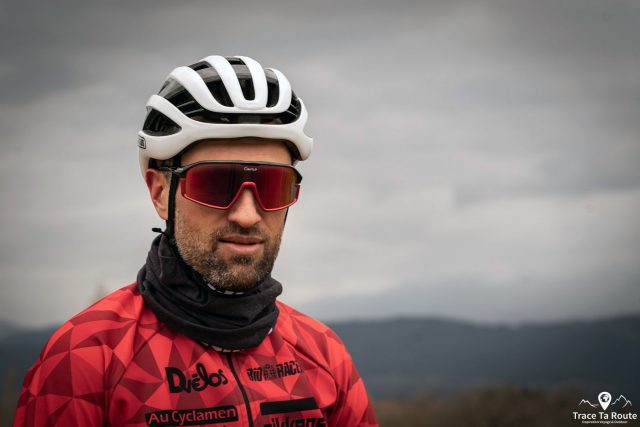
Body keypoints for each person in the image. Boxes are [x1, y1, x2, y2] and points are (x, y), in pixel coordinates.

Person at [13, 55, 378, 427]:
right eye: (216, 184)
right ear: (160, 193)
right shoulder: (87, 356)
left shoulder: (323, 352)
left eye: (272, 185)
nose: (247, 215)